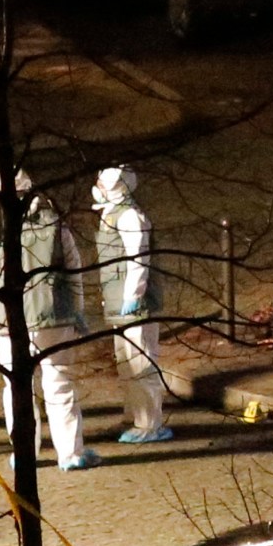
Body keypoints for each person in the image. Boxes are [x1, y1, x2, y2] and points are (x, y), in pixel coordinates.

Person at [0, 169, 97, 470]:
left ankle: (25, 452)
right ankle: (70, 453)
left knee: (16, 388)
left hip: (10, 319)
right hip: (54, 316)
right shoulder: (53, 220)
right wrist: (76, 309)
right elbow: (73, 267)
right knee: (59, 382)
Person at [92, 166, 172, 444]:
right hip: (119, 301)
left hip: (134, 305)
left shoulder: (129, 217)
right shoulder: (111, 215)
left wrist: (133, 296)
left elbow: (139, 258)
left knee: (141, 364)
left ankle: (149, 424)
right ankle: (135, 415)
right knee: (127, 364)